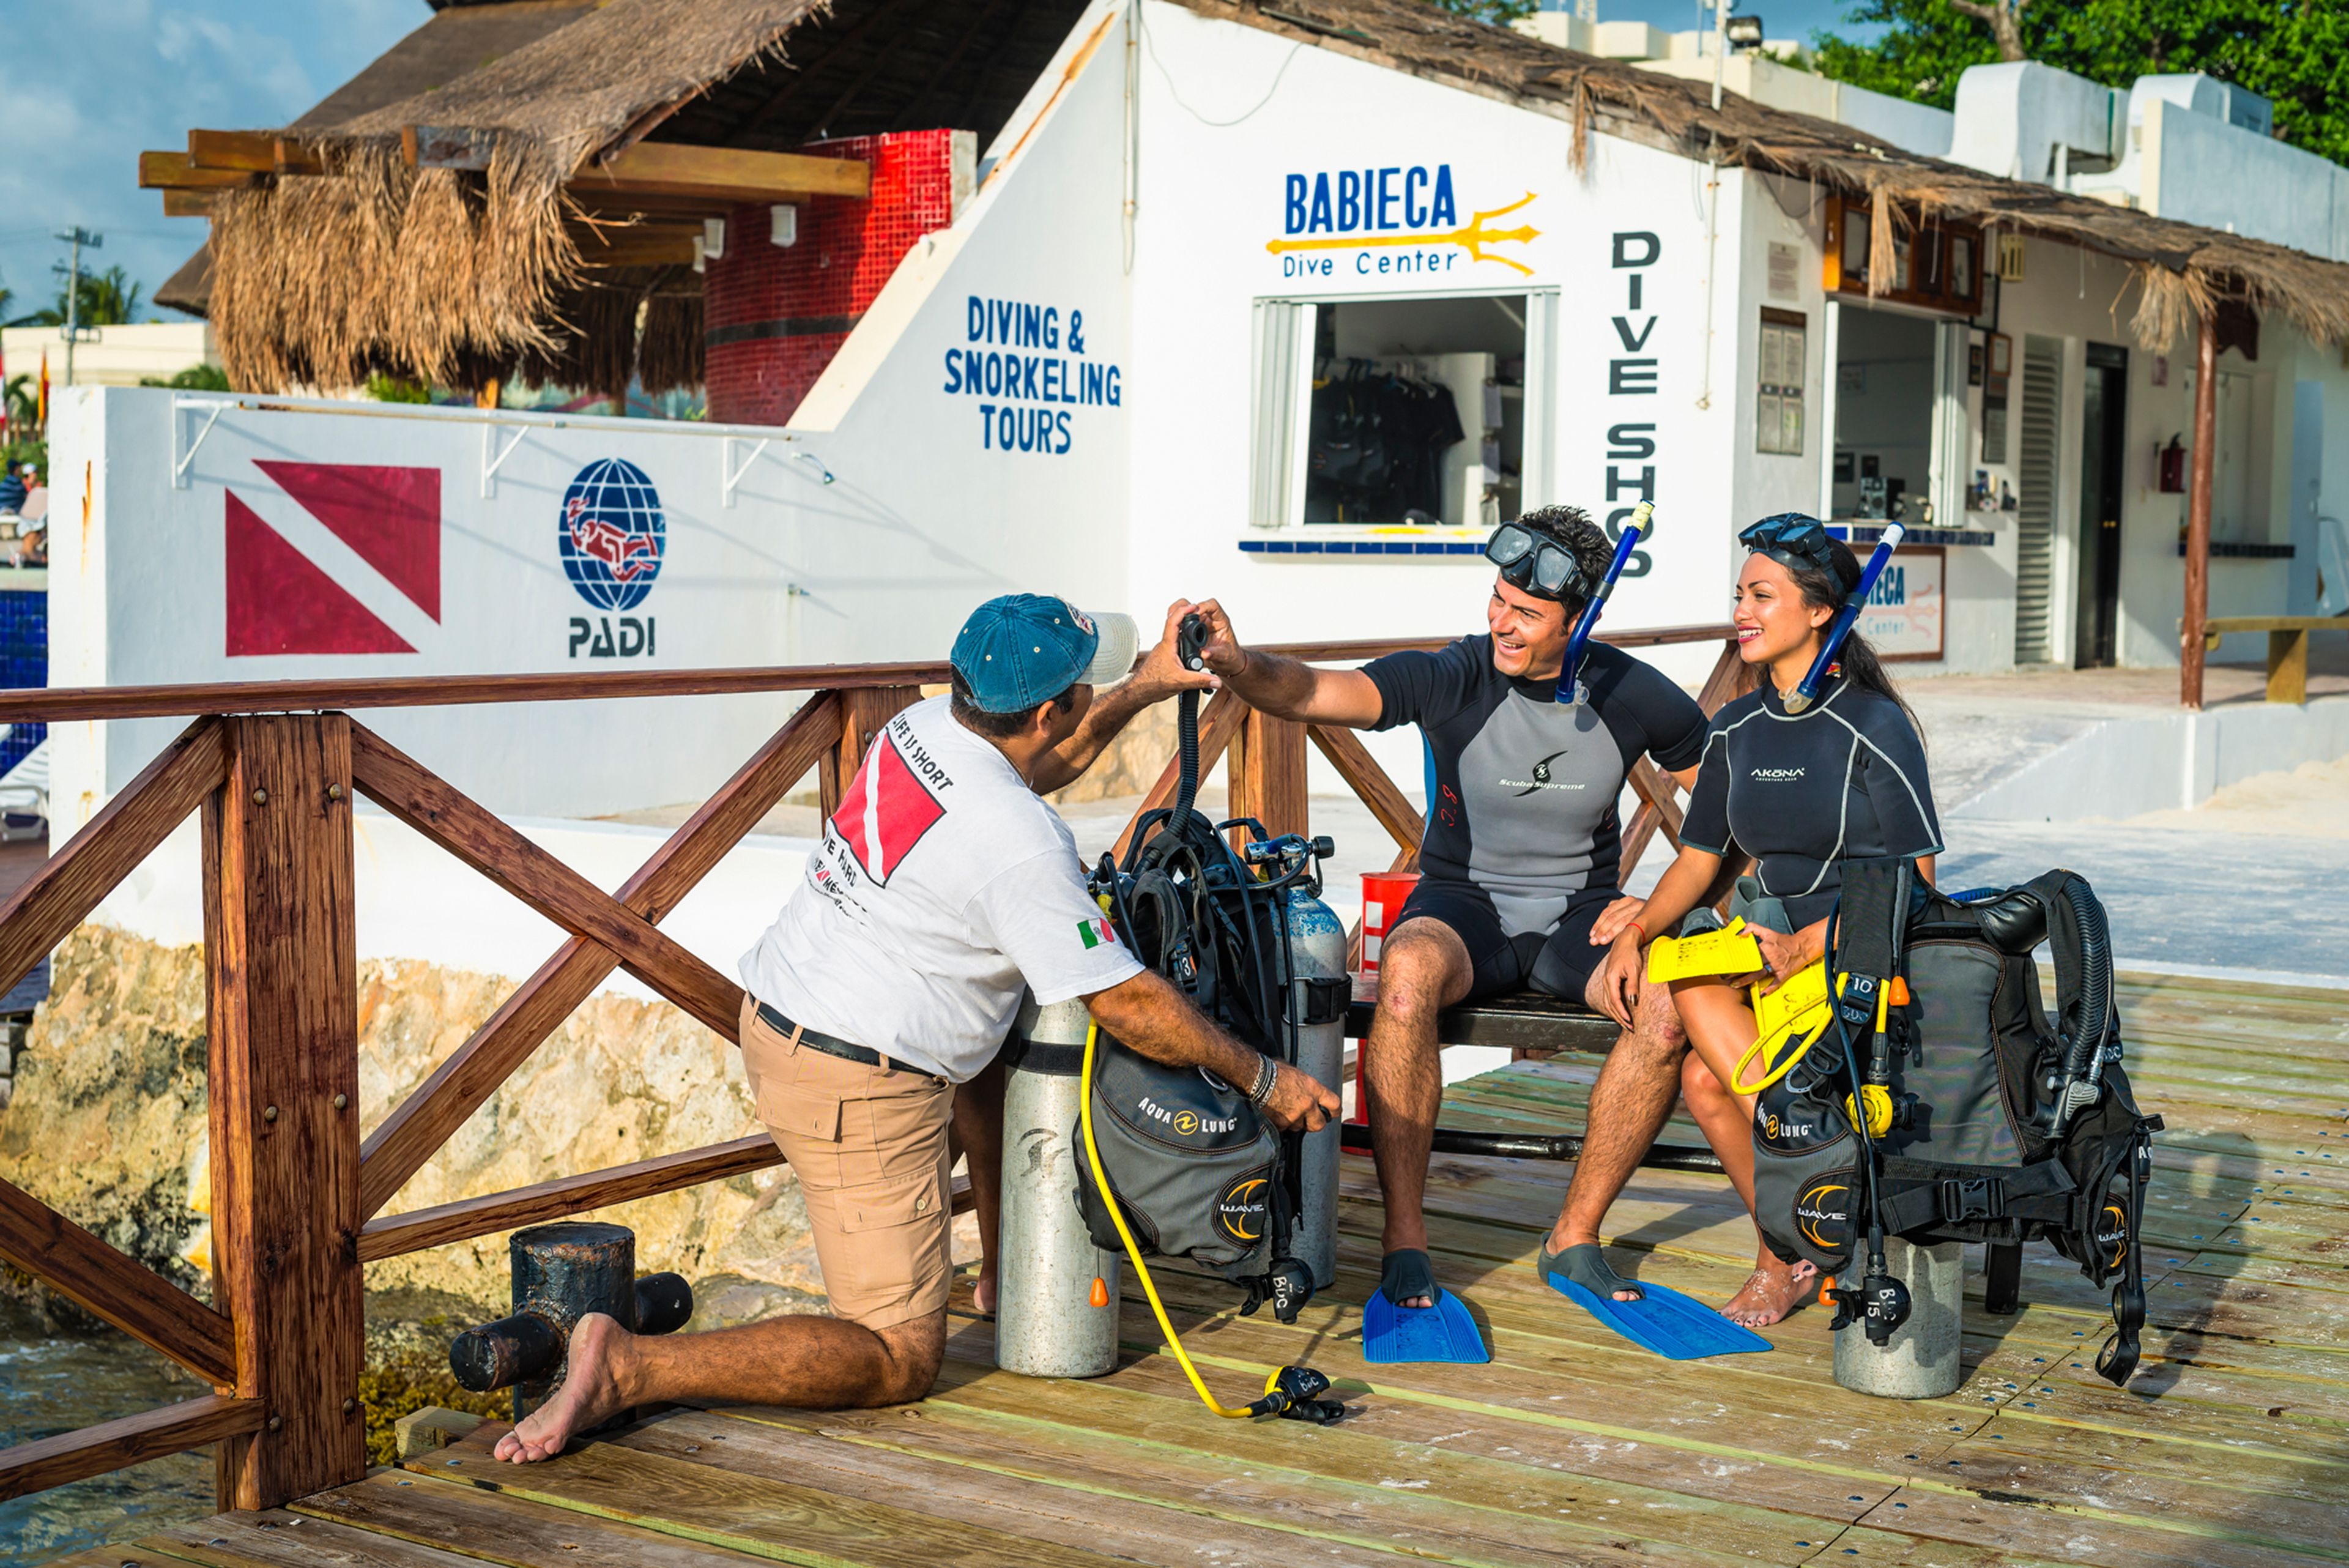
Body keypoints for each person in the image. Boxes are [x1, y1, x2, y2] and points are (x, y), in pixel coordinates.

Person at [495, 595, 1340, 1462]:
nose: (1093, 697)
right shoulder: (1018, 844)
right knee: (898, 1355)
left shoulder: (927, 729)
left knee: (994, 1024)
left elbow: (1042, 762)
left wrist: (1149, 684)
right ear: (1049, 710)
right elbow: (1121, 999)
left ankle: (1008, 1268)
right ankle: (629, 1367)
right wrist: (1266, 1080)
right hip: (855, 1080)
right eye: (1090, 687)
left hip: (791, 1012)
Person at [1179, 504, 1709, 1342]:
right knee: (1408, 972)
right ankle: (1406, 1240)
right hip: (1465, 906)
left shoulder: (1630, 692)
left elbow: (1731, 811)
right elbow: (1316, 690)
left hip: (1582, 917)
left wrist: (1659, 908)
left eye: (1527, 614)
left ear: (1582, 620)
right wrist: (1239, 663)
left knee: (1670, 1005)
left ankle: (1574, 1237)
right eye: (1498, 599)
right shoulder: (1456, 674)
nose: (1501, 621)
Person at [1589, 515, 1941, 1326]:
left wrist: (1812, 943)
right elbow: (1700, 860)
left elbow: (1920, 884)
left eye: (1761, 595)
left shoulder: (1874, 724)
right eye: (1738, 595)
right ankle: (1810, 1211)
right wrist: (1638, 932)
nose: (1740, 611)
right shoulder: (1739, 729)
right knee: (1689, 990)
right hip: (1766, 946)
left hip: (1860, 955)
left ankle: (1787, 1249)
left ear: (1820, 611)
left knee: (1712, 1079)